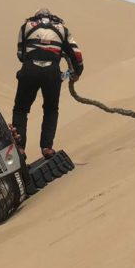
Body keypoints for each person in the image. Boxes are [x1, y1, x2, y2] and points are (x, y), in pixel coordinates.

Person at [12, 8, 83, 159]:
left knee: (21, 109)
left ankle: (20, 147)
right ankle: (47, 147)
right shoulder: (63, 29)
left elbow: (20, 54)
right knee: (51, 109)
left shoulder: (26, 26)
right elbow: (76, 53)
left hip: (29, 69)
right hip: (52, 73)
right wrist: (77, 72)